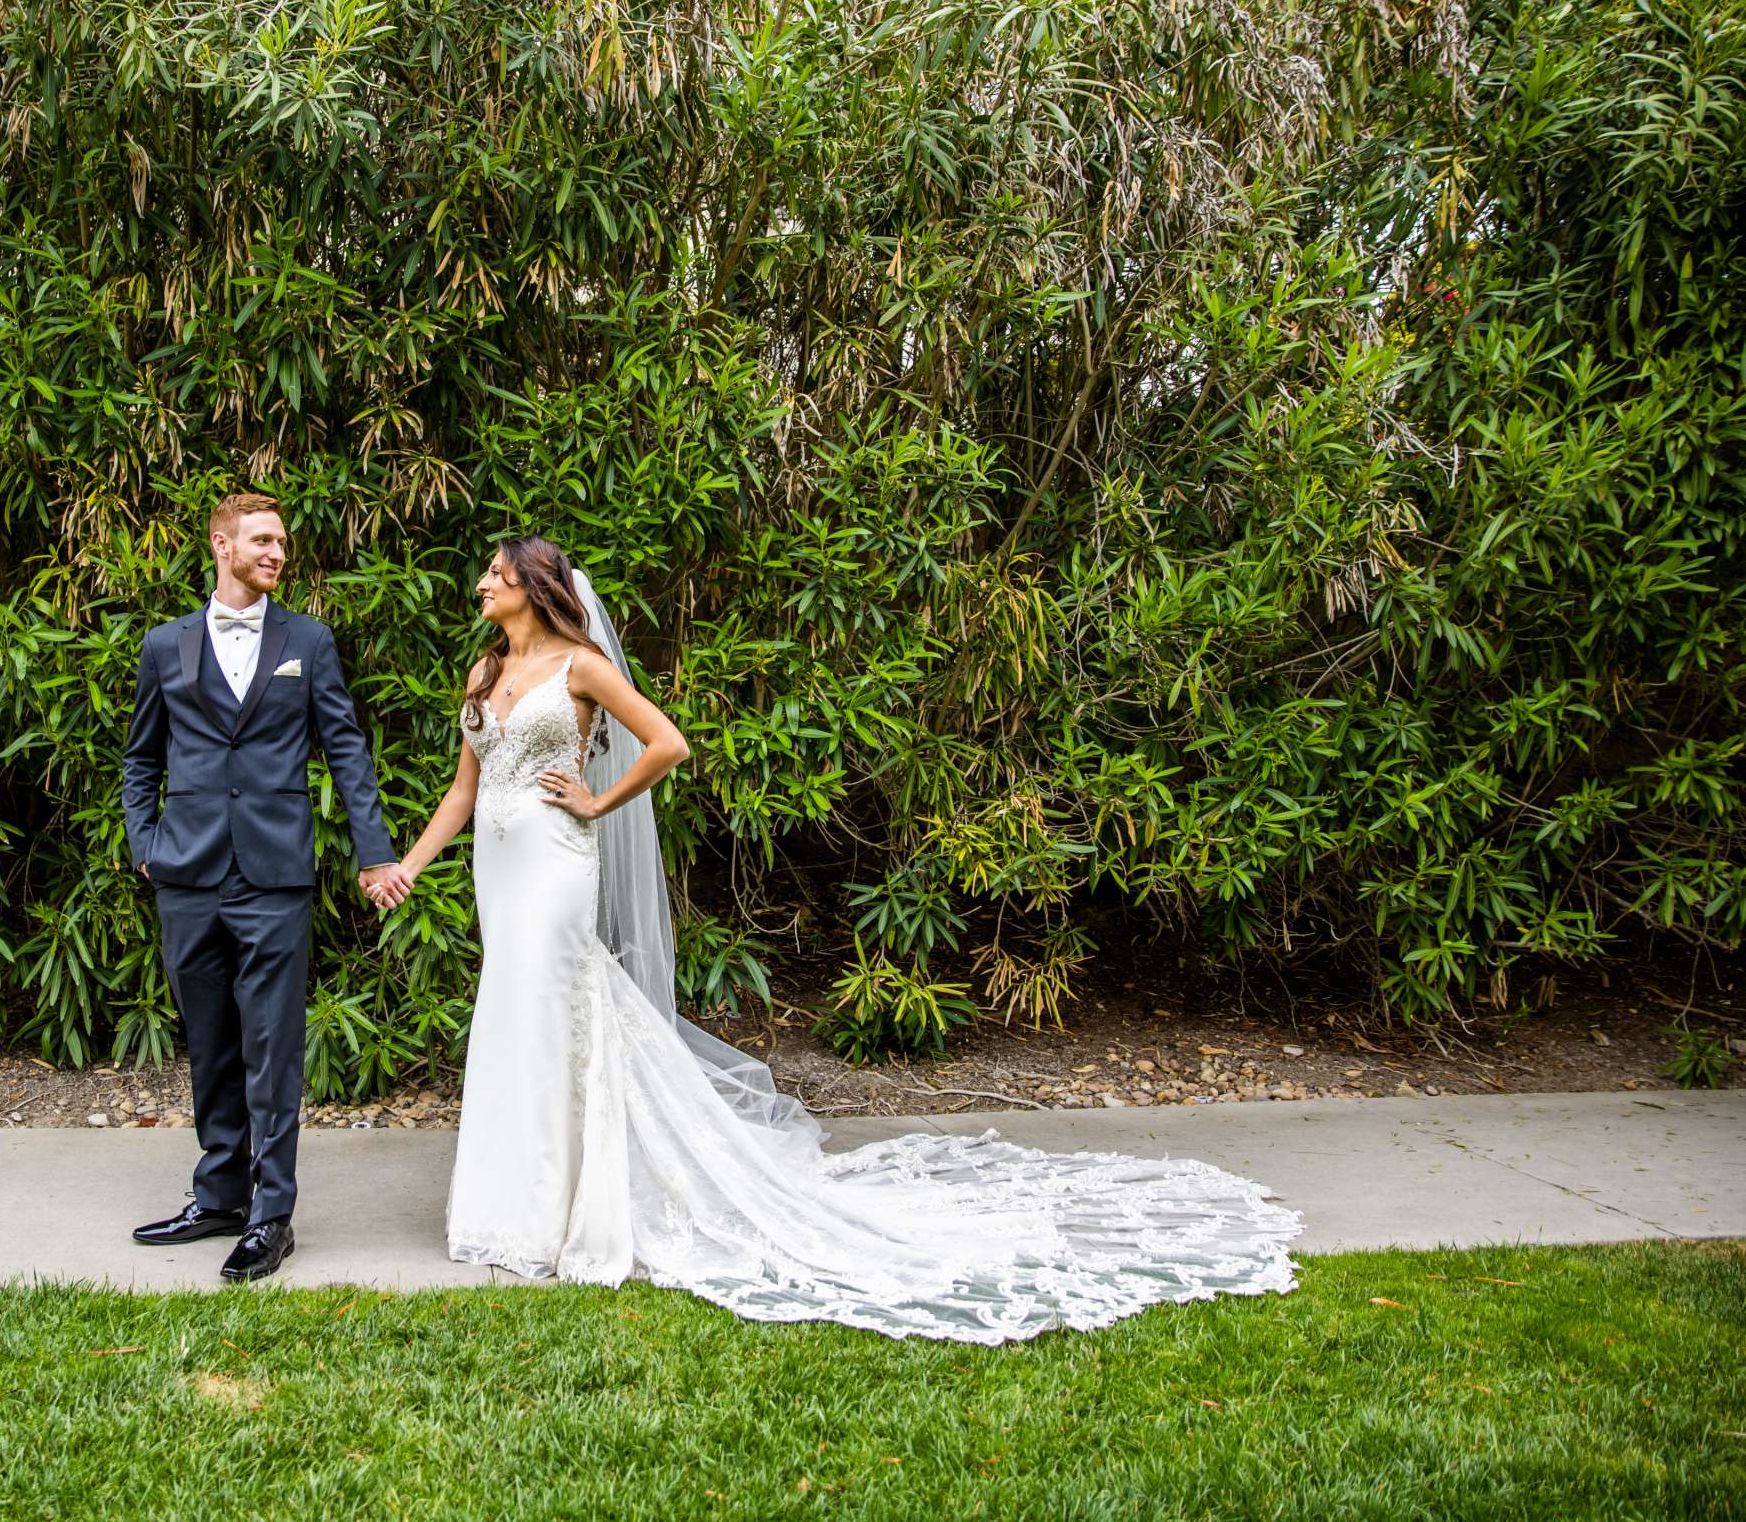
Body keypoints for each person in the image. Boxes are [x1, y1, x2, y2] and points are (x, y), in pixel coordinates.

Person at [381, 535, 1301, 1342]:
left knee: (553, 1010)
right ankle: (508, 1208)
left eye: (494, 575)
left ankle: (558, 1213)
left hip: (555, 858)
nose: (480, 587)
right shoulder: (483, 675)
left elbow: (667, 743)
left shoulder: (580, 667)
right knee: (511, 1018)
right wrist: (412, 867)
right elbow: (464, 791)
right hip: (496, 868)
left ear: (534, 587)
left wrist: (596, 799)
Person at [121, 493, 409, 1282]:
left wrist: (374, 853)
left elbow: (345, 751)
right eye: (262, 539)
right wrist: (144, 842)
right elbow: (141, 756)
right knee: (209, 1042)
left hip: (275, 877)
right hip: (187, 873)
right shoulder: (164, 645)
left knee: (273, 1050)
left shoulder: (307, 642)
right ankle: (217, 1195)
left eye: (282, 540)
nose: (278, 551)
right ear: (221, 545)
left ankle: (270, 1214)